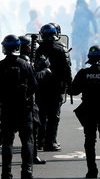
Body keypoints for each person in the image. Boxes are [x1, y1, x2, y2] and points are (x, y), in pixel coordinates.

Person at [0, 35, 46, 165]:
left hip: (7, 107)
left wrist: (3, 97)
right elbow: (34, 86)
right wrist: (25, 97)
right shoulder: (24, 64)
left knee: (8, 140)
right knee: (27, 139)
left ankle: (6, 173)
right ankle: (28, 170)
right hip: (25, 107)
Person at [68, 45, 100, 178]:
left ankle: (92, 170)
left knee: (90, 140)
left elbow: (73, 91)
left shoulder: (83, 73)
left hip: (88, 110)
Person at [35, 23, 72, 151]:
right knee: (53, 116)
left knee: (41, 114)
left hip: (41, 87)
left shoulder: (39, 49)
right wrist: (70, 85)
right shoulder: (61, 48)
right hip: (56, 87)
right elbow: (67, 69)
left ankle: (40, 141)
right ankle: (50, 142)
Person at [71, 0, 98, 70]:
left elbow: (94, 22)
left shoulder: (88, 12)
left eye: (81, 4)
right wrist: (73, 30)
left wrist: (96, 32)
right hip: (77, 33)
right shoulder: (77, 11)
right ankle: (77, 65)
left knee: (84, 49)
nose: (80, 5)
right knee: (78, 49)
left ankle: (83, 64)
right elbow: (74, 22)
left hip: (85, 34)